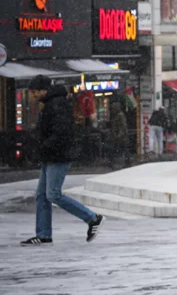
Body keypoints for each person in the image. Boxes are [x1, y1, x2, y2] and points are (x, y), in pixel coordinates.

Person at [21, 75, 103, 245]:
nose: (32, 95)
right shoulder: (51, 103)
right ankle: (43, 234)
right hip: (50, 155)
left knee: (53, 194)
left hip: (58, 156)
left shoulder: (57, 104)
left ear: (43, 90)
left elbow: (61, 133)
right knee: (42, 196)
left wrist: (44, 146)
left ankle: (92, 218)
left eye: (34, 92)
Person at [107, 101, 130, 169]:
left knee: (117, 149)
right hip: (121, 136)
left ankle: (118, 162)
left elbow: (122, 126)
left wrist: (118, 135)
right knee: (123, 149)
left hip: (121, 137)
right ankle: (126, 162)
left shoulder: (120, 115)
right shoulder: (118, 115)